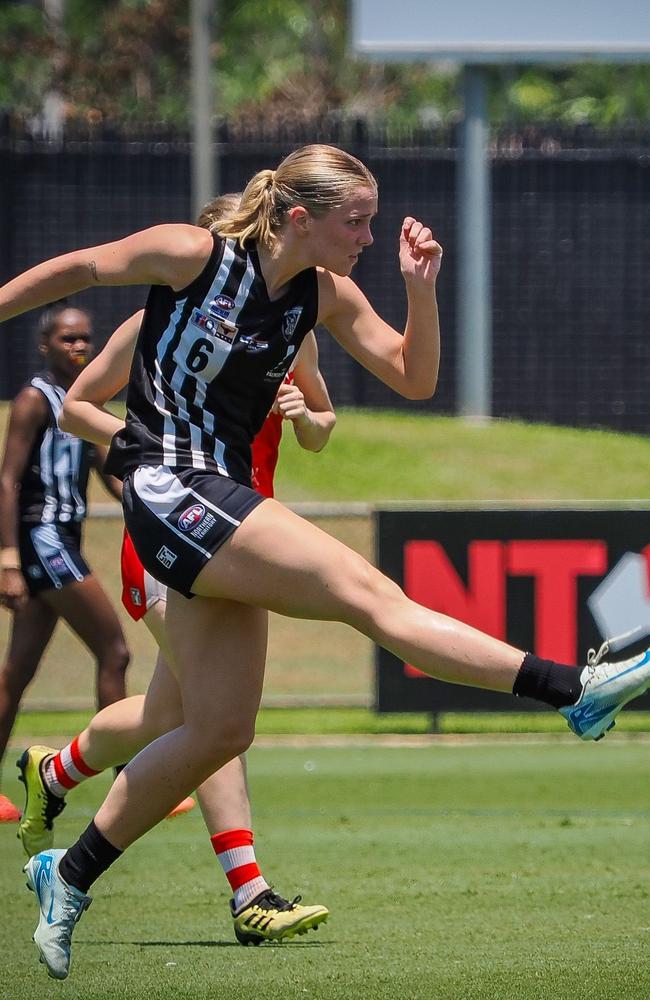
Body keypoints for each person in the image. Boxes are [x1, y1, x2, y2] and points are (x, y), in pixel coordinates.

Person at [1, 143, 648, 980]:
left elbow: (414, 379)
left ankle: (70, 872)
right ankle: (574, 690)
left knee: (221, 729)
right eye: (359, 222)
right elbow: (79, 271)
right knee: (365, 590)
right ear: (299, 217)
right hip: (170, 492)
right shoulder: (193, 255)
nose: (371, 237)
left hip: (222, 499)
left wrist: (422, 293)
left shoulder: (323, 295)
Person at [17, 198, 334, 944]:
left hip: (245, 539)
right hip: (171, 532)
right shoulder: (163, 316)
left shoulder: (293, 324)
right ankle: (248, 891)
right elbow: (77, 407)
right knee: (211, 722)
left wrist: (304, 413)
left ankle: (54, 772)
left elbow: (321, 431)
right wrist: (151, 455)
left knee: (169, 716)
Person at [0, 304, 129, 825]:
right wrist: (7, 559)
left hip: (60, 540)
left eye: (85, 339)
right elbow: (7, 481)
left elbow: (108, 471)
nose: (79, 347)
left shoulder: (82, 403)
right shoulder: (35, 399)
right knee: (114, 651)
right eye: (68, 339)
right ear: (45, 346)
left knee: (18, 671)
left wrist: (153, 507)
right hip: (43, 540)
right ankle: (130, 784)